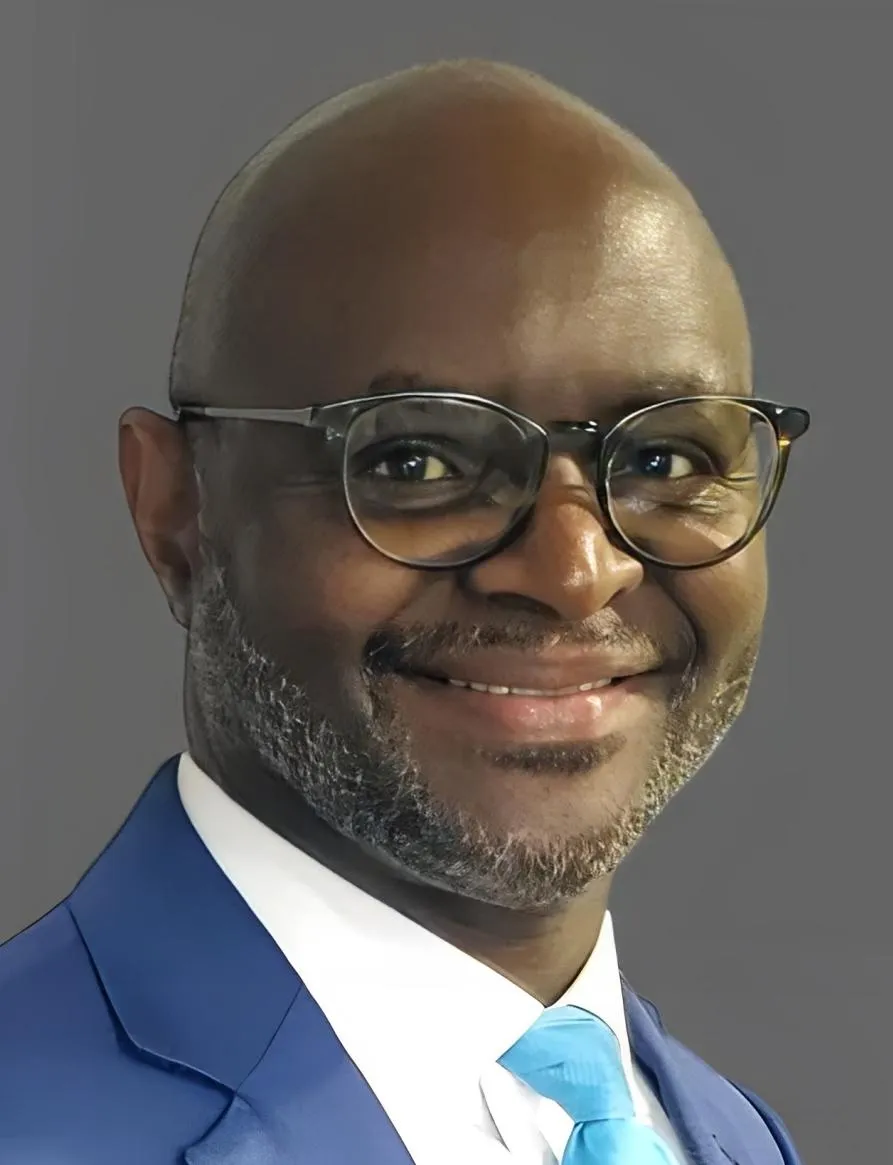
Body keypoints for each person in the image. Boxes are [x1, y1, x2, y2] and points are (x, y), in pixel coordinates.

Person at [0, 60, 810, 1164]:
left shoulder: (728, 1135)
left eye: (663, 457)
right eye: (416, 460)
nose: (574, 571)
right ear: (176, 509)